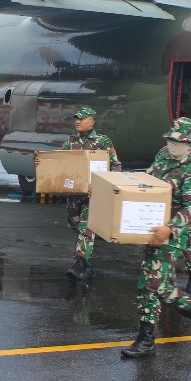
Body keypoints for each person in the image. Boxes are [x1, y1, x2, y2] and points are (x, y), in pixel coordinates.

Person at [121, 118, 191, 358]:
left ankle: (151, 338)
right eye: (170, 140)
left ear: (189, 144)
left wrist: (170, 229)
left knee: (153, 283)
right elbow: (148, 180)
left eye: (178, 142)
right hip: (153, 226)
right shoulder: (163, 155)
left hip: (174, 233)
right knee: (152, 284)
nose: (172, 145)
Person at [57, 107, 120, 284]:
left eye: (82, 119)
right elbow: (57, 161)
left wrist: (104, 188)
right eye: (76, 118)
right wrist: (41, 161)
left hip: (94, 195)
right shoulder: (71, 141)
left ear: (92, 121)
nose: (78, 121)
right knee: (75, 224)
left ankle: (79, 262)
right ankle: (87, 267)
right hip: (74, 194)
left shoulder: (102, 142)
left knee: (87, 227)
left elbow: (115, 166)